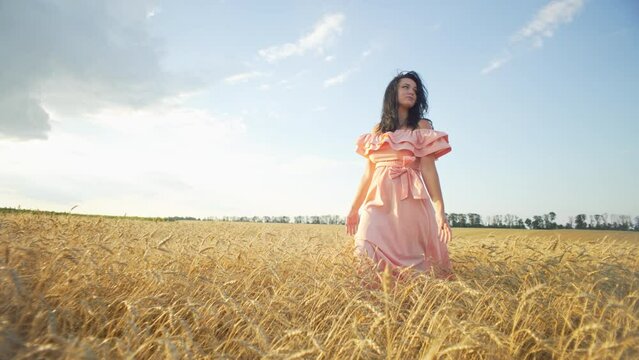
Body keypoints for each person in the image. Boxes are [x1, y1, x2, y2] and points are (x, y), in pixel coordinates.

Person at [346, 70, 455, 281]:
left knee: (415, 270)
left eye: (415, 90)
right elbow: (367, 174)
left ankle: (409, 308)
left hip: (410, 203)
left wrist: (440, 210)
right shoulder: (377, 131)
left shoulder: (422, 127)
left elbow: (428, 169)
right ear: (392, 92)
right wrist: (353, 209)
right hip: (377, 202)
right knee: (365, 249)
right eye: (405, 87)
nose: (411, 92)